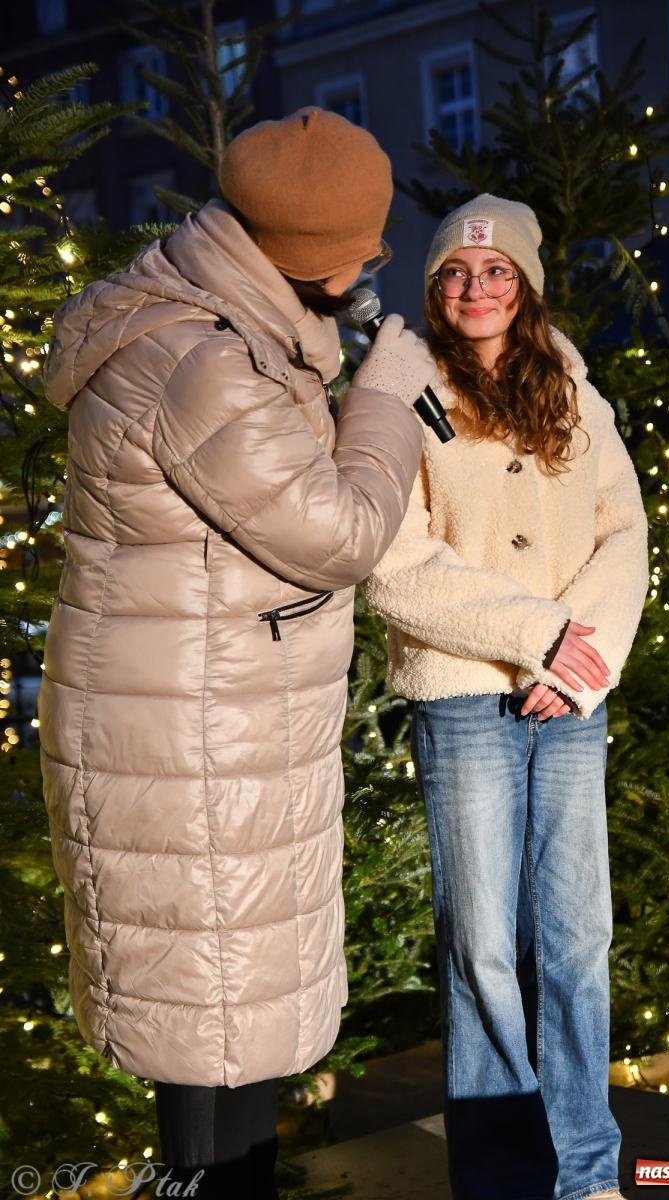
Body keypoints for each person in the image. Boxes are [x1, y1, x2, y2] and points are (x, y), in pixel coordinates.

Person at [38, 107, 437, 1200]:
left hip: (202, 718)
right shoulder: (198, 364)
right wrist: (387, 403)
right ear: (300, 257)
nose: (370, 271)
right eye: (360, 253)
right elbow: (340, 531)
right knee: (217, 1048)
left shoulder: (211, 324)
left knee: (223, 1034)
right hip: (194, 739)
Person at [363, 194, 649, 1200]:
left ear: (521, 285)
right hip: (463, 701)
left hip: (569, 705)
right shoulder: (402, 394)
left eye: (491, 272)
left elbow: (623, 533)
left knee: (577, 938)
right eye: (451, 273)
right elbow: (392, 564)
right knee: (482, 948)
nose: (472, 287)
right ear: (434, 293)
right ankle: (498, 1176)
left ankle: (583, 1169)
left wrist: (581, 660)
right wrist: (537, 639)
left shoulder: (570, 387)